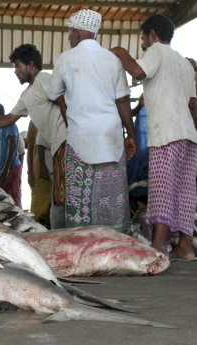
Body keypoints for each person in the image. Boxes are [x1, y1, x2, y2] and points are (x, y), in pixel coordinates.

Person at [110, 14, 197, 259]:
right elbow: (192, 104)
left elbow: (137, 70)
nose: (144, 44)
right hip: (188, 135)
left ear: (153, 35)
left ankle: (159, 245)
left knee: (162, 188)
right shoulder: (184, 62)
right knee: (184, 191)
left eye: (143, 39)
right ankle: (185, 247)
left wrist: (120, 51)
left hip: (166, 134)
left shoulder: (157, 50)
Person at [46, 9, 136, 232]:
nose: (69, 37)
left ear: (76, 33)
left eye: (69, 33)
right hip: (111, 137)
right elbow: (123, 100)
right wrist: (131, 135)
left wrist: (68, 110)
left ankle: (83, 247)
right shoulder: (111, 59)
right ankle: (115, 246)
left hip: (80, 138)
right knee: (111, 199)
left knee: (81, 202)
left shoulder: (65, 59)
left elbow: (53, 93)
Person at [0, 44, 66, 223]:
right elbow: (9, 118)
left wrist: (73, 134)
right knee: (59, 198)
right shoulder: (27, 94)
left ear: (31, 65)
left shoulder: (44, 79)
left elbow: (63, 102)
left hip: (67, 144)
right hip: (57, 147)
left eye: (18, 66)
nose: (15, 71)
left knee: (64, 198)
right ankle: (61, 234)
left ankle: (70, 236)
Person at [0, 104, 22, 208]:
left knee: (13, 201)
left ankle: (20, 222)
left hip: (10, 168)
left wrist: (6, 168)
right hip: (3, 169)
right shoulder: (1, 128)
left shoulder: (9, 124)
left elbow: (12, 145)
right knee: (3, 202)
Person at [26, 121, 51, 223]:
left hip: (58, 172)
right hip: (39, 173)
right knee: (37, 213)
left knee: (54, 212)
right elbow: (30, 148)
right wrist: (30, 173)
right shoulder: (33, 121)